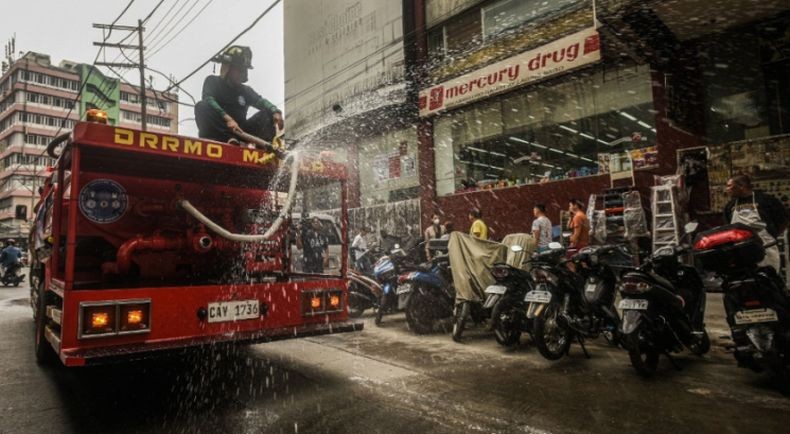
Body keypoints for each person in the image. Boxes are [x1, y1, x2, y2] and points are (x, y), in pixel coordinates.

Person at [195, 46, 283, 144]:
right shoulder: (213, 81)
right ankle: (228, 139)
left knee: (267, 113)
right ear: (228, 68)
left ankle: (267, 148)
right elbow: (208, 99)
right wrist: (228, 119)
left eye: (244, 70)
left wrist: (275, 111)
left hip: (240, 133)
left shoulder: (245, 91)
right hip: (218, 133)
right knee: (201, 106)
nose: (242, 73)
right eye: (238, 69)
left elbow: (261, 101)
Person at [724, 174, 788, 271]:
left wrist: (772, 235)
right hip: (741, 250)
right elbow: (728, 227)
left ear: (741, 186)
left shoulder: (766, 200)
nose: (726, 189)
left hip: (765, 247)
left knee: (768, 278)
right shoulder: (729, 206)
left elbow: (784, 220)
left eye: (729, 186)